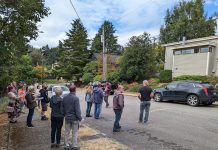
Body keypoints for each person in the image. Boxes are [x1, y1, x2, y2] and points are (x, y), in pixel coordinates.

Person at [62, 85, 82, 150]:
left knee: (67, 132)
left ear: (69, 90)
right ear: (75, 90)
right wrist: (80, 118)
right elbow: (77, 110)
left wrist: (64, 115)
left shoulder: (65, 97)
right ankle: (74, 146)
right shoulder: (76, 98)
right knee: (75, 132)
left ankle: (66, 145)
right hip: (74, 118)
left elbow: (62, 108)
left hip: (67, 117)